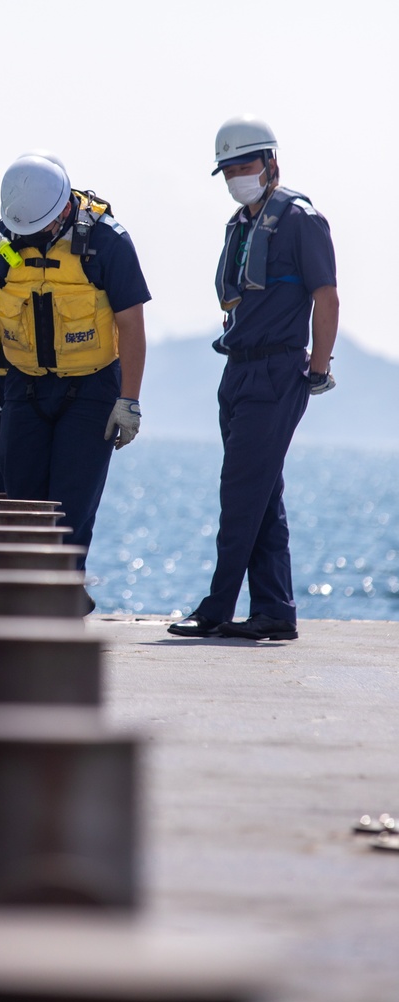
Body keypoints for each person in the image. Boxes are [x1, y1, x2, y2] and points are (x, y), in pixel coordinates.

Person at [169, 117, 339, 642]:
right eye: (229, 170)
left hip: (275, 371)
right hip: (238, 371)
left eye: (245, 166)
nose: (236, 177)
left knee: (240, 493)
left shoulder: (302, 221)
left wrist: (318, 367)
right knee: (262, 496)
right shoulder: (241, 225)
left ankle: (217, 607)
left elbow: (326, 298)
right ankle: (274, 611)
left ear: (270, 164)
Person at [0, 154, 150, 566]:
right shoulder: (2, 243)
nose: (30, 236)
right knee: (21, 501)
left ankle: (62, 606)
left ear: (63, 208)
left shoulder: (106, 241)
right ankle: (23, 608)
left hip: (91, 390)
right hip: (24, 386)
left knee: (71, 507)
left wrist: (128, 401)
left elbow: (130, 323)